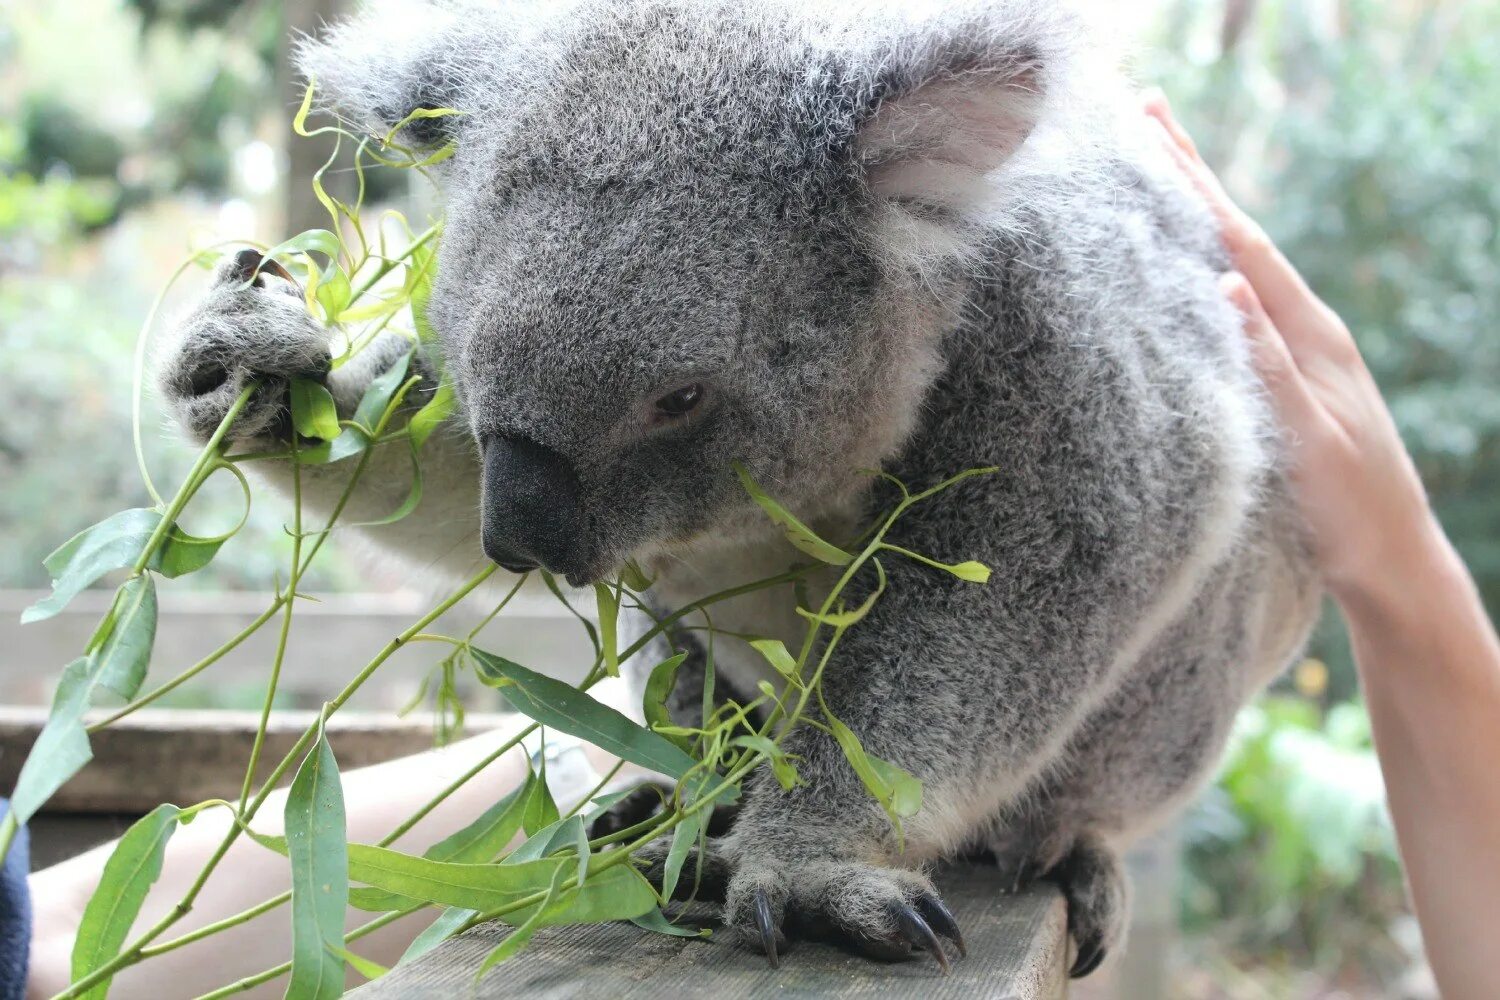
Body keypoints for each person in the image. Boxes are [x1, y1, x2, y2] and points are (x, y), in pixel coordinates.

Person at [13, 95, 1500, 999]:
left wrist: (827, 816)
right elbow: (539, 482)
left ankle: (954, 810)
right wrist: (309, 420)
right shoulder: (591, 193)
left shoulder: (1029, 290)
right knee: (644, 484)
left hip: (1103, 668)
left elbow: (1088, 536)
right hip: (751, 684)